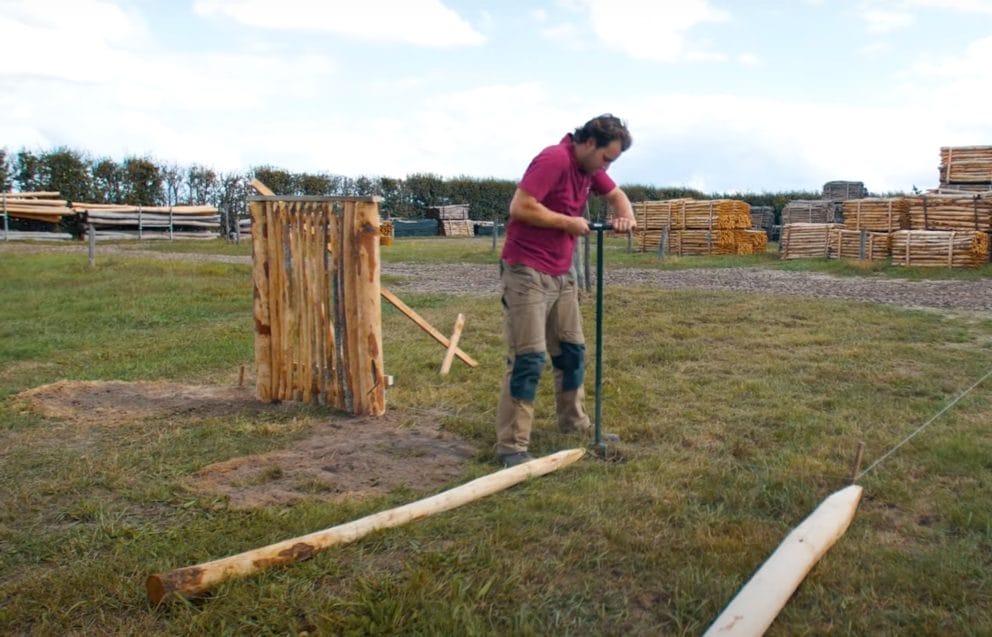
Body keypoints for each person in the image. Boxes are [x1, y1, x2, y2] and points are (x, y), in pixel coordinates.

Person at [496, 113, 637, 467]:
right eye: (607, 158)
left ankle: (574, 423)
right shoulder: (554, 159)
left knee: (572, 352)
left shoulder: (588, 169)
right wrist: (569, 223)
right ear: (589, 143)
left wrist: (624, 215)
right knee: (529, 358)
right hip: (526, 271)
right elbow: (521, 207)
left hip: (562, 274)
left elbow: (617, 196)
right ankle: (512, 446)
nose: (606, 166)